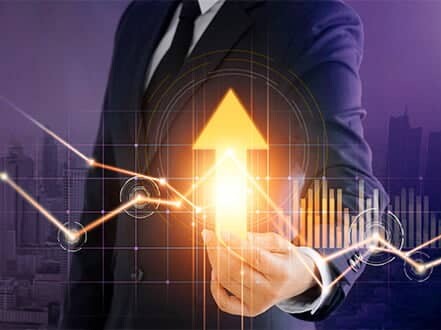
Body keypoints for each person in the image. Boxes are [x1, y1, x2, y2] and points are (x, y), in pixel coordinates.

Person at [61, 1, 387, 329]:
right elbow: (102, 199)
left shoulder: (308, 18)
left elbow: (354, 185)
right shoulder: (140, 15)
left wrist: (308, 270)